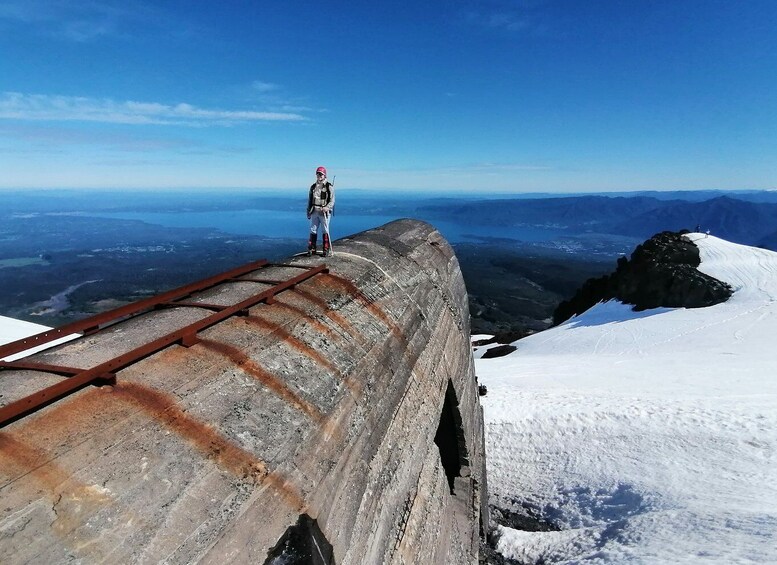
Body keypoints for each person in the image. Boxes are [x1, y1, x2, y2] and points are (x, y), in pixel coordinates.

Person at [306, 166, 335, 256]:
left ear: (324, 175)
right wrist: (308, 211)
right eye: (318, 174)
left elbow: (332, 200)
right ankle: (312, 248)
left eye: (321, 174)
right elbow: (310, 200)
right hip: (314, 210)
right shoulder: (313, 187)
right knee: (313, 229)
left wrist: (327, 207)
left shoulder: (328, 187)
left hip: (324, 212)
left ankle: (325, 249)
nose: (319, 176)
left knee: (325, 230)